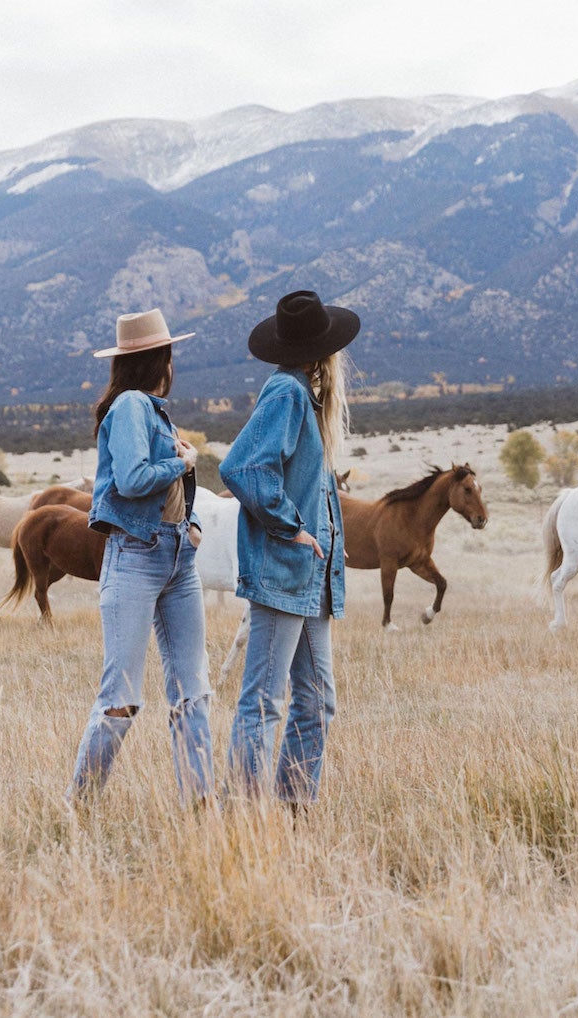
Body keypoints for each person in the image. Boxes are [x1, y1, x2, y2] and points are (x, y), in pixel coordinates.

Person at [220, 289, 359, 809]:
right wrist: (291, 528)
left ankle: (294, 808)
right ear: (324, 349)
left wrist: (327, 537)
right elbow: (243, 468)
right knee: (262, 703)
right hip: (283, 572)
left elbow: (312, 483)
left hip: (309, 576)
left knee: (316, 702)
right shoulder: (287, 395)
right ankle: (243, 814)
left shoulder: (305, 396)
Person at [68, 308, 213, 804]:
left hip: (175, 557)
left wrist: (189, 529)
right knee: (122, 698)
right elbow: (131, 480)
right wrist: (183, 461)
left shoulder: (149, 409)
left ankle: (200, 806)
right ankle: (79, 806)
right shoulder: (131, 405)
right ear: (161, 358)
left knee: (193, 690)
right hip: (135, 556)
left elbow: (158, 483)